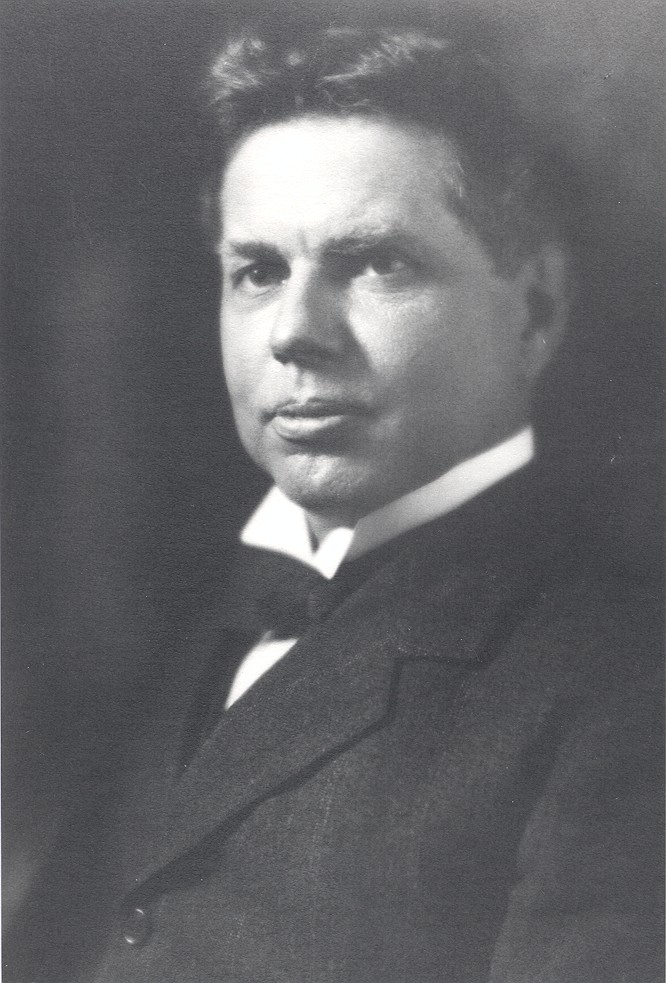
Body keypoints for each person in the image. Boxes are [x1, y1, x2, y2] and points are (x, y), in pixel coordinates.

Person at [10, 24, 663, 983]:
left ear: (533, 309)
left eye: (377, 264)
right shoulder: (188, 632)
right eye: (259, 271)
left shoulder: (623, 677)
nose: (295, 333)